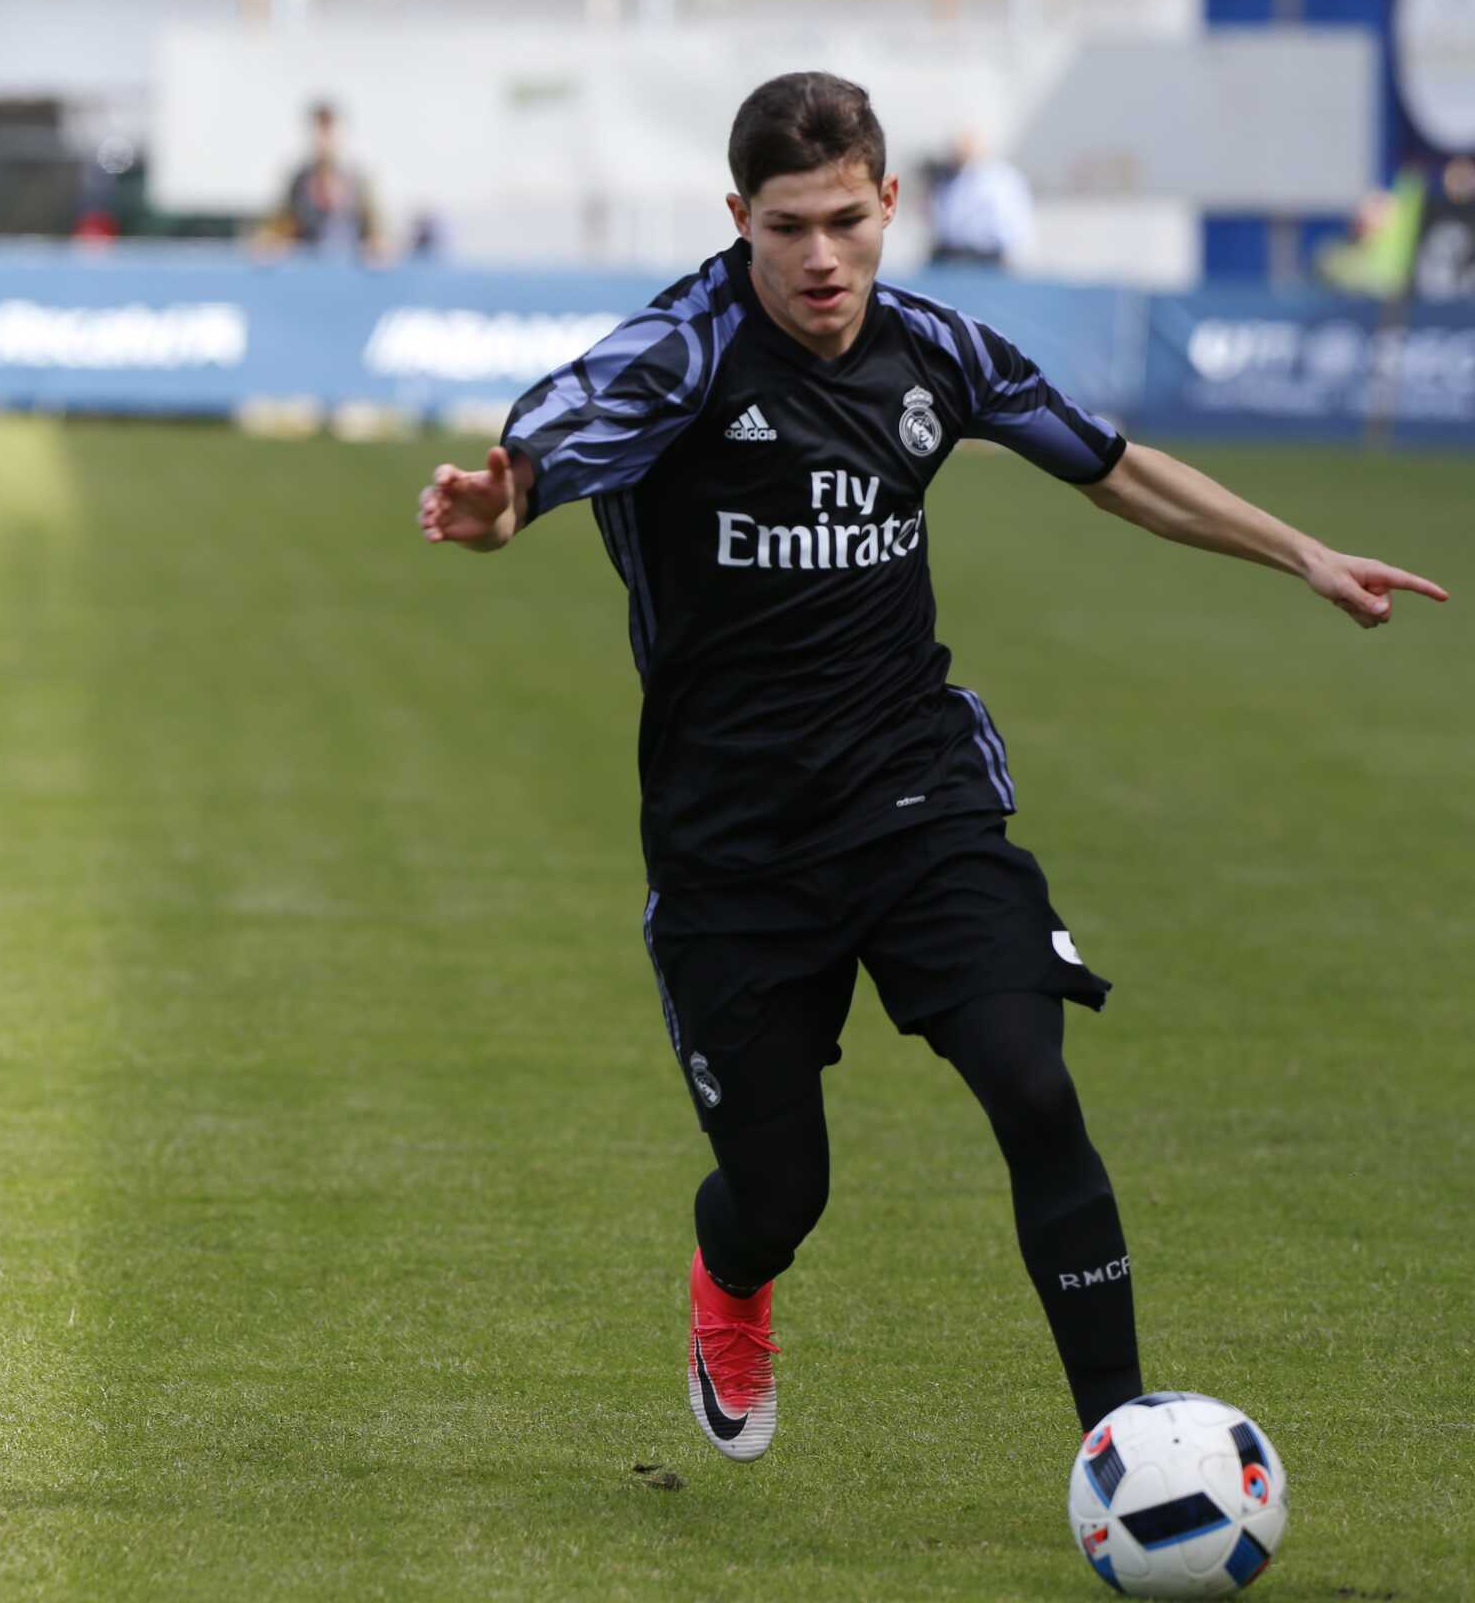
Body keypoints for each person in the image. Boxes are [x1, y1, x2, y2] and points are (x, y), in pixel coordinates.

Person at [417, 72, 1447, 1465]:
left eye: (846, 221)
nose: (821, 256)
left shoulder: (936, 349)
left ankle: (1129, 1453)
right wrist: (498, 510)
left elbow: (1112, 467)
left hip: (916, 793)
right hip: (733, 844)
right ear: (739, 217)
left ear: (892, 203)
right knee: (780, 1193)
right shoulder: (681, 356)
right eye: (788, 227)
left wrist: (1303, 552)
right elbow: (538, 455)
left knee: (1033, 1083)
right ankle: (731, 1279)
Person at [270, 100, 379, 259]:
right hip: (308, 265)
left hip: (348, 265)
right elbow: (282, 229)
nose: (324, 138)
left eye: (328, 129)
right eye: (319, 129)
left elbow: (375, 233)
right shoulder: (299, 180)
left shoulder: (357, 180)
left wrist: (376, 245)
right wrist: (275, 242)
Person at [928, 127, 1034, 268]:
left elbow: (1011, 223)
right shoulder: (949, 180)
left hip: (986, 257)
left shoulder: (1000, 180)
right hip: (952, 255)